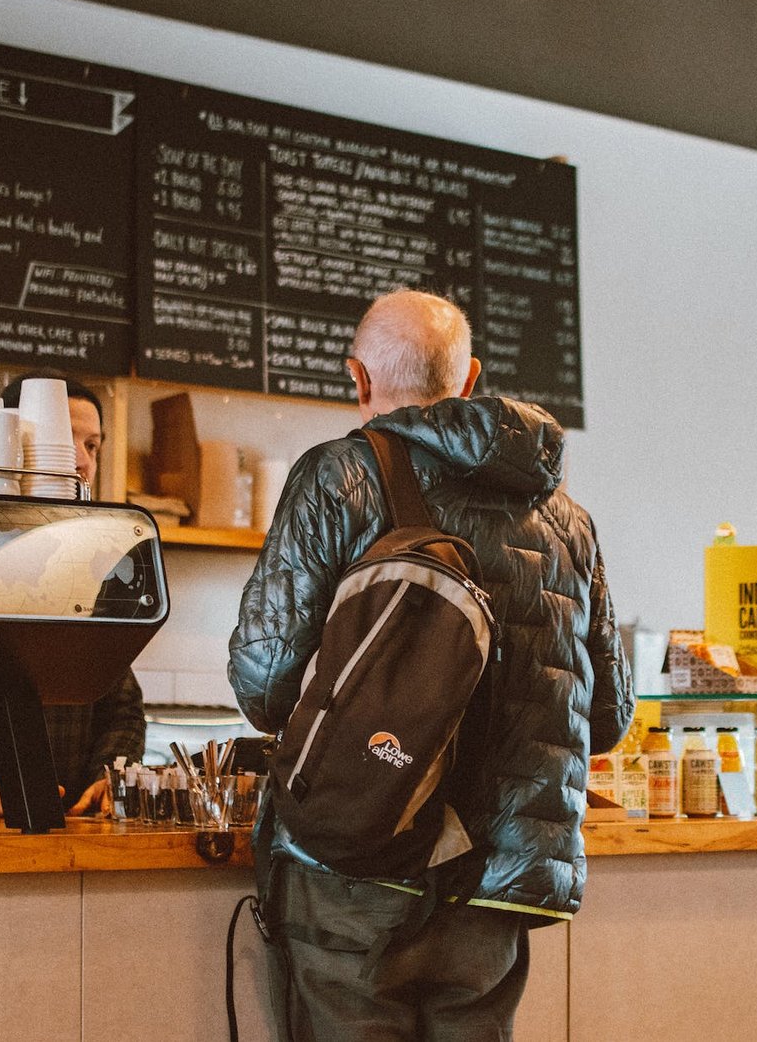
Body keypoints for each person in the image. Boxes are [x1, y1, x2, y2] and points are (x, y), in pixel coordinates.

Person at [229, 289, 633, 1039]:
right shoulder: (567, 519)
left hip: (359, 859)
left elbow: (264, 680)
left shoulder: (338, 476)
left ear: (358, 378)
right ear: (469, 377)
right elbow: (607, 717)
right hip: (502, 883)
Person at [0, 372, 145, 818]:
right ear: (8, 441)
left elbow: (121, 709)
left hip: (67, 824)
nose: (82, 461)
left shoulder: (90, 567)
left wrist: (109, 777)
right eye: (63, 439)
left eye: (92, 446)